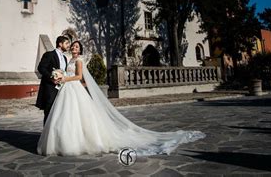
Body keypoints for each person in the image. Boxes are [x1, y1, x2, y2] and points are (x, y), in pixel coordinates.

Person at [37, 40, 205, 156]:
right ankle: (63, 141)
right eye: (72, 46)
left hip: (73, 87)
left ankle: (80, 142)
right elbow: (66, 72)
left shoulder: (79, 60)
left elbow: (80, 76)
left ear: (79, 50)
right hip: (66, 90)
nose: (73, 47)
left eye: (75, 46)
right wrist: (60, 76)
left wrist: (65, 78)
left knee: (80, 116)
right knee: (66, 117)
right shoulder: (68, 59)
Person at [35, 36, 70, 124]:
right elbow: (41, 68)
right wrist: (52, 77)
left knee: (59, 112)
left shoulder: (65, 58)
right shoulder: (49, 54)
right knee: (49, 111)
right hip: (50, 88)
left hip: (61, 88)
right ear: (60, 44)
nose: (68, 46)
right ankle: (46, 135)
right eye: (66, 43)